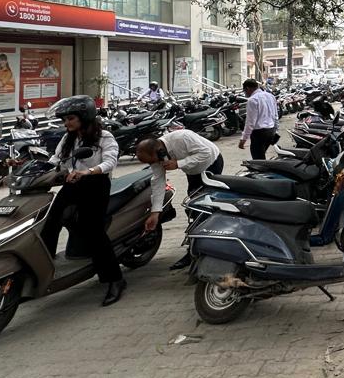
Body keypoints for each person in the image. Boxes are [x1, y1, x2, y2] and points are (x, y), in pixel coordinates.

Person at [38, 95, 126, 306]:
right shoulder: (68, 138)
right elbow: (55, 160)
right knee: (49, 222)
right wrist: (34, 167)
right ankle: (43, 269)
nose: (66, 123)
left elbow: (109, 163)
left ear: (84, 117)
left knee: (93, 230)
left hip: (96, 185)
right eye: (64, 120)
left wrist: (88, 172)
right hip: (72, 184)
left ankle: (115, 279)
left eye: (70, 118)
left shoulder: (104, 137)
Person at [135, 130, 223, 271]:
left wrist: (179, 163)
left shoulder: (182, 137)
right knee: (194, 208)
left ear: (159, 150)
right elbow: (158, 182)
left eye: (153, 161)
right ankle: (197, 248)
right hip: (193, 171)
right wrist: (155, 212)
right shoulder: (156, 156)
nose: (155, 164)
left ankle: (205, 248)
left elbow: (205, 153)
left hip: (210, 163)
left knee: (202, 207)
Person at [239, 77, 280, 160]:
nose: (245, 93)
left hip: (259, 133)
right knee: (261, 156)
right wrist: (275, 130)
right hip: (271, 130)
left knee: (258, 159)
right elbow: (276, 116)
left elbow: (250, 122)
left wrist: (243, 139)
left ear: (247, 88)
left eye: (244, 91)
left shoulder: (252, 100)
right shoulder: (270, 96)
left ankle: (264, 172)